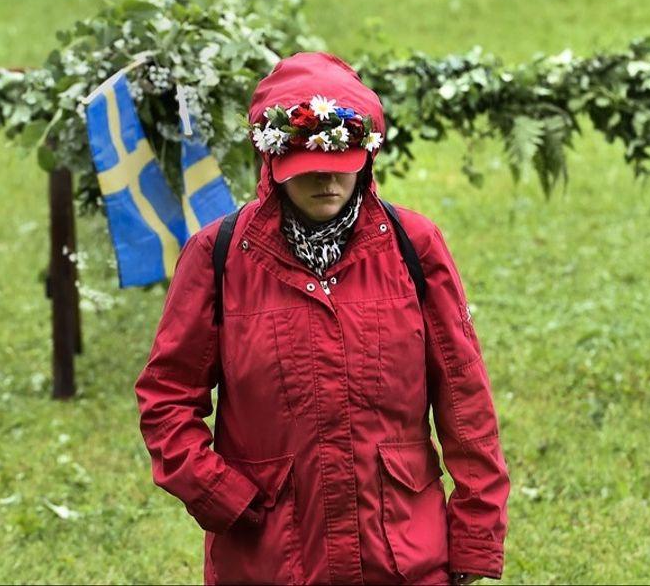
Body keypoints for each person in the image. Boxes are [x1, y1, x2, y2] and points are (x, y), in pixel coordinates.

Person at [135, 52, 510, 585]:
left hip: (402, 556)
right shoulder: (217, 255)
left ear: (366, 155)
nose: (326, 182)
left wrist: (475, 536)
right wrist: (221, 495)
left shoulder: (414, 247)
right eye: (306, 168)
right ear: (271, 161)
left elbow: (465, 402)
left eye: (340, 166)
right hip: (268, 560)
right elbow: (167, 400)